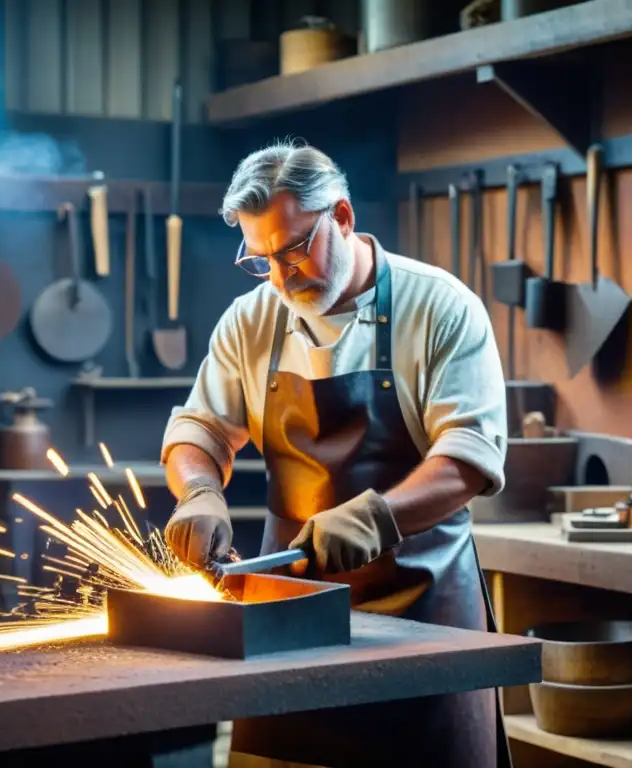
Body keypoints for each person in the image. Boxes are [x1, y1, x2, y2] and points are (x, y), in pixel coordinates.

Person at [160, 139, 509, 767]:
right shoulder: (252, 319)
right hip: (291, 617)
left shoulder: (440, 307)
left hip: (423, 621)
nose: (280, 276)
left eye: (293, 250)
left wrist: (377, 517)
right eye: (260, 258)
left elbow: (468, 456)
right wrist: (199, 490)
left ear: (342, 217)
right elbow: (200, 431)